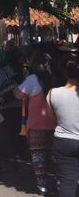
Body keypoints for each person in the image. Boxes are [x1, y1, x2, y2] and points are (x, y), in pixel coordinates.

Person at [16, 51, 57, 194]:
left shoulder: (33, 79)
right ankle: (59, 182)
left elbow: (19, 93)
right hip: (55, 124)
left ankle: (42, 185)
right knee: (53, 155)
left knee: (38, 156)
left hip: (36, 124)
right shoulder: (55, 78)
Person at [46, 54, 79, 197]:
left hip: (63, 140)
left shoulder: (53, 94)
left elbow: (54, 118)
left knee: (67, 182)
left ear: (65, 72)